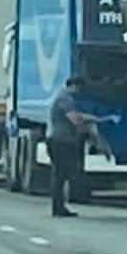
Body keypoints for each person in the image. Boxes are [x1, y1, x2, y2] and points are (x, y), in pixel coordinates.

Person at [47, 76, 96, 217]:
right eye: (79, 88)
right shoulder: (65, 99)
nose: (79, 91)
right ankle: (58, 208)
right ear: (73, 85)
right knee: (61, 175)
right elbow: (75, 119)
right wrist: (92, 120)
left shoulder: (64, 97)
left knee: (61, 175)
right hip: (61, 141)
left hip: (60, 140)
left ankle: (59, 207)